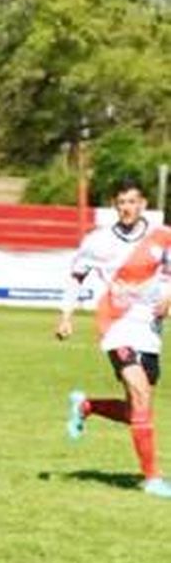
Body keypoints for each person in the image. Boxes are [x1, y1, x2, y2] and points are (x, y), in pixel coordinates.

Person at [58, 177, 171, 498]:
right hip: (116, 325)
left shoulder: (162, 237)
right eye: (121, 203)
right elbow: (76, 277)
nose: (127, 208)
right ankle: (152, 479)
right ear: (115, 206)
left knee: (139, 407)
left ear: (143, 204)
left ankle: (87, 406)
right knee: (139, 394)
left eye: (133, 202)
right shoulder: (98, 242)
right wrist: (66, 315)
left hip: (149, 329)